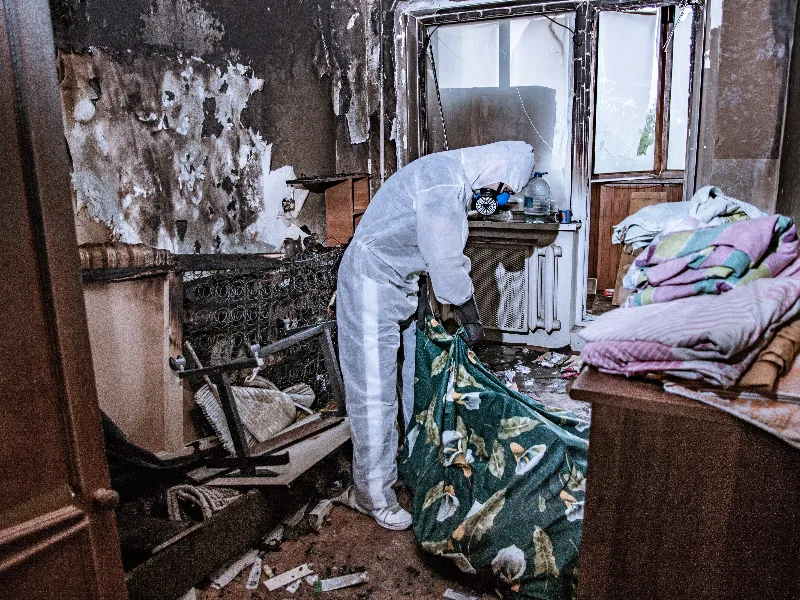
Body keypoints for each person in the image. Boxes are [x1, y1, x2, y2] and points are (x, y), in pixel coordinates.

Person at [336, 141, 535, 530]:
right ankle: (372, 496)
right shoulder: (442, 183)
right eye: (501, 189)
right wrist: (470, 317)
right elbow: (445, 263)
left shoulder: (454, 180)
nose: (495, 198)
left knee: (415, 381)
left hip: (401, 281)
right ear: (497, 168)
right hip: (370, 281)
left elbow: (427, 249)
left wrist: (428, 301)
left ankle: (409, 462)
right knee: (374, 393)